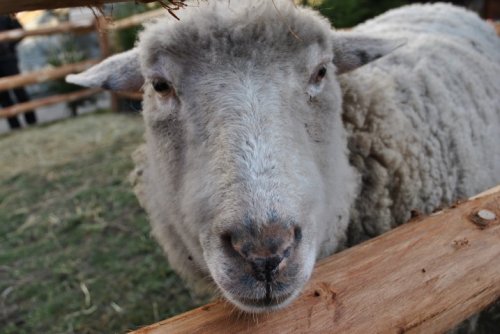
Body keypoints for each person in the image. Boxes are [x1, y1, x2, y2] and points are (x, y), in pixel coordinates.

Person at [0, 15, 37, 129]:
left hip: (8, 58)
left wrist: (9, 46)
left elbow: (20, 30)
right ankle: (15, 126)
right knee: (3, 97)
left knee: (19, 90)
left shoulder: (4, 14)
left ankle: (32, 122)